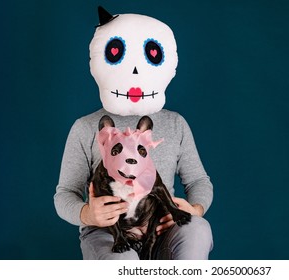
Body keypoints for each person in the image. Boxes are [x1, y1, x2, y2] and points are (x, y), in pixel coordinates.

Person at [53, 6, 213, 260]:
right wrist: (87, 214)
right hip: (107, 231)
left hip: (161, 228)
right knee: (122, 261)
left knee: (198, 229)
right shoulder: (85, 127)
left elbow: (198, 181)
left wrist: (194, 208)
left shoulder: (175, 124)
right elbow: (64, 194)